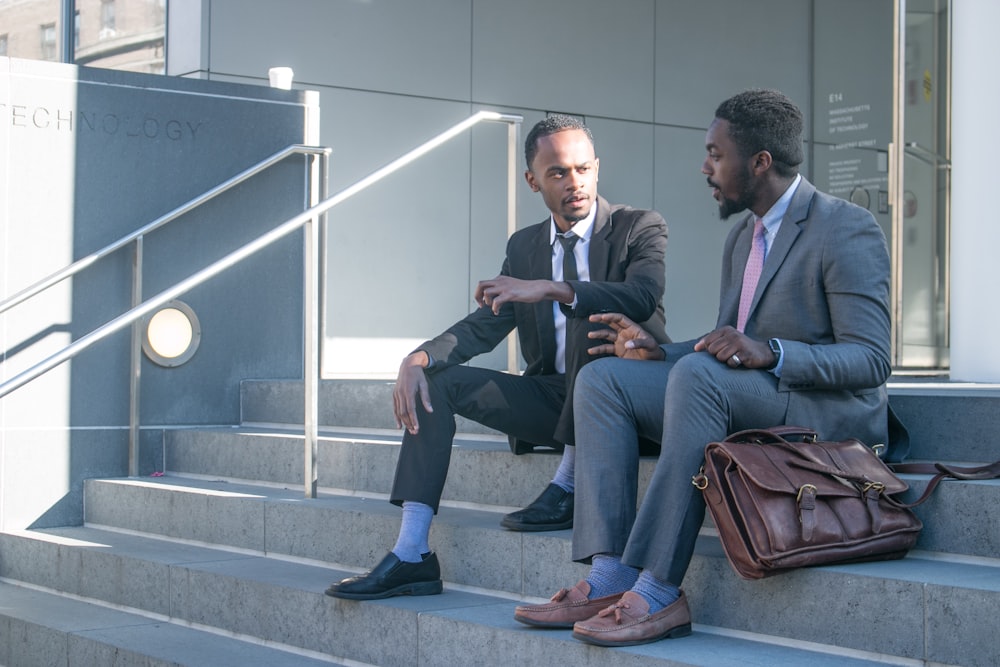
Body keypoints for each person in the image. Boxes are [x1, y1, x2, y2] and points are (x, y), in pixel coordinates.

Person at [513, 89, 895, 647]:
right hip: (746, 394)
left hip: (828, 416)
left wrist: (774, 353)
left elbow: (871, 359)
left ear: (759, 162)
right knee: (602, 378)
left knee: (696, 378)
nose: (705, 166)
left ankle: (660, 588)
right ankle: (609, 576)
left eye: (716, 154)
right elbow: (726, 343)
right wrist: (654, 350)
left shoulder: (845, 227)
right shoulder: (744, 235)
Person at [325, 114, 670, 601]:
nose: (575, 183)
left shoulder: (639, 226)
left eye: (583, 169)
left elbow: (641, 296)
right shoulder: (525, 246)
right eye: (557, 173)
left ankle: (568, 484)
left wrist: (553, 289)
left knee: (588, 315)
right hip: (555, 401)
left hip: (626, 401)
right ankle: (411, 553)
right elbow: (487, 323)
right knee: (437, 381)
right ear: (533, 181)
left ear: (597, 168)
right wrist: (419, 357)